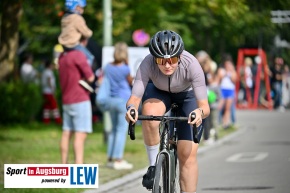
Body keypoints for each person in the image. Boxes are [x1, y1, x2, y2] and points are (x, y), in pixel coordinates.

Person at [125, 30, 210, 193]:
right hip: (159, 91)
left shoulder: (192, 64)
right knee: (149, 114)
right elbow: (134, 99)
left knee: (187, 155)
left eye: (172, 60)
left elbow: (204, 106)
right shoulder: (147, 63)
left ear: (180, 56)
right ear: (154, 58)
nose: (167, 65)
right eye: (161, 61)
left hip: (187, 95)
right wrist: (131, 109)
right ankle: (152, 166)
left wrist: (199, 113)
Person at [58, 45, 95, 164]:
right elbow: (90, 77)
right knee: (80, 135)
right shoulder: (78, 55)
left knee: (66, 133)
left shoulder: (61, 57)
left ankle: (63, 165)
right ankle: (78, 169)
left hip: (66, 100)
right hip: (80, 99)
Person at [104, 42, 134, 170]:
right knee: (121, 131)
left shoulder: (108, 67)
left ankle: (110, 157)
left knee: (113, 129)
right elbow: (130, 82)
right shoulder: (125, 68)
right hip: (123, 100)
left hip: (111, 99)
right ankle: (118, 159)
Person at [216, 54, 237, 129]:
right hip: (222, 89)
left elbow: (234, 80)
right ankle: (217, 122)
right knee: (220, 106)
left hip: (230, 90)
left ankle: (226, 123)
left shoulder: (232, 71)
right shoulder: (221, 70)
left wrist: (230, 72)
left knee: (228, 108)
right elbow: (217, 81)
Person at [41, 59, 62, 124]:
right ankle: (58, 120)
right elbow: (49, 80)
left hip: (45, 91)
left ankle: (46, 120)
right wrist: (53, 89)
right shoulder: (49, 72)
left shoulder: (44, 72)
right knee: (54, 106)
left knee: (47, 106)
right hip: (49, 91)